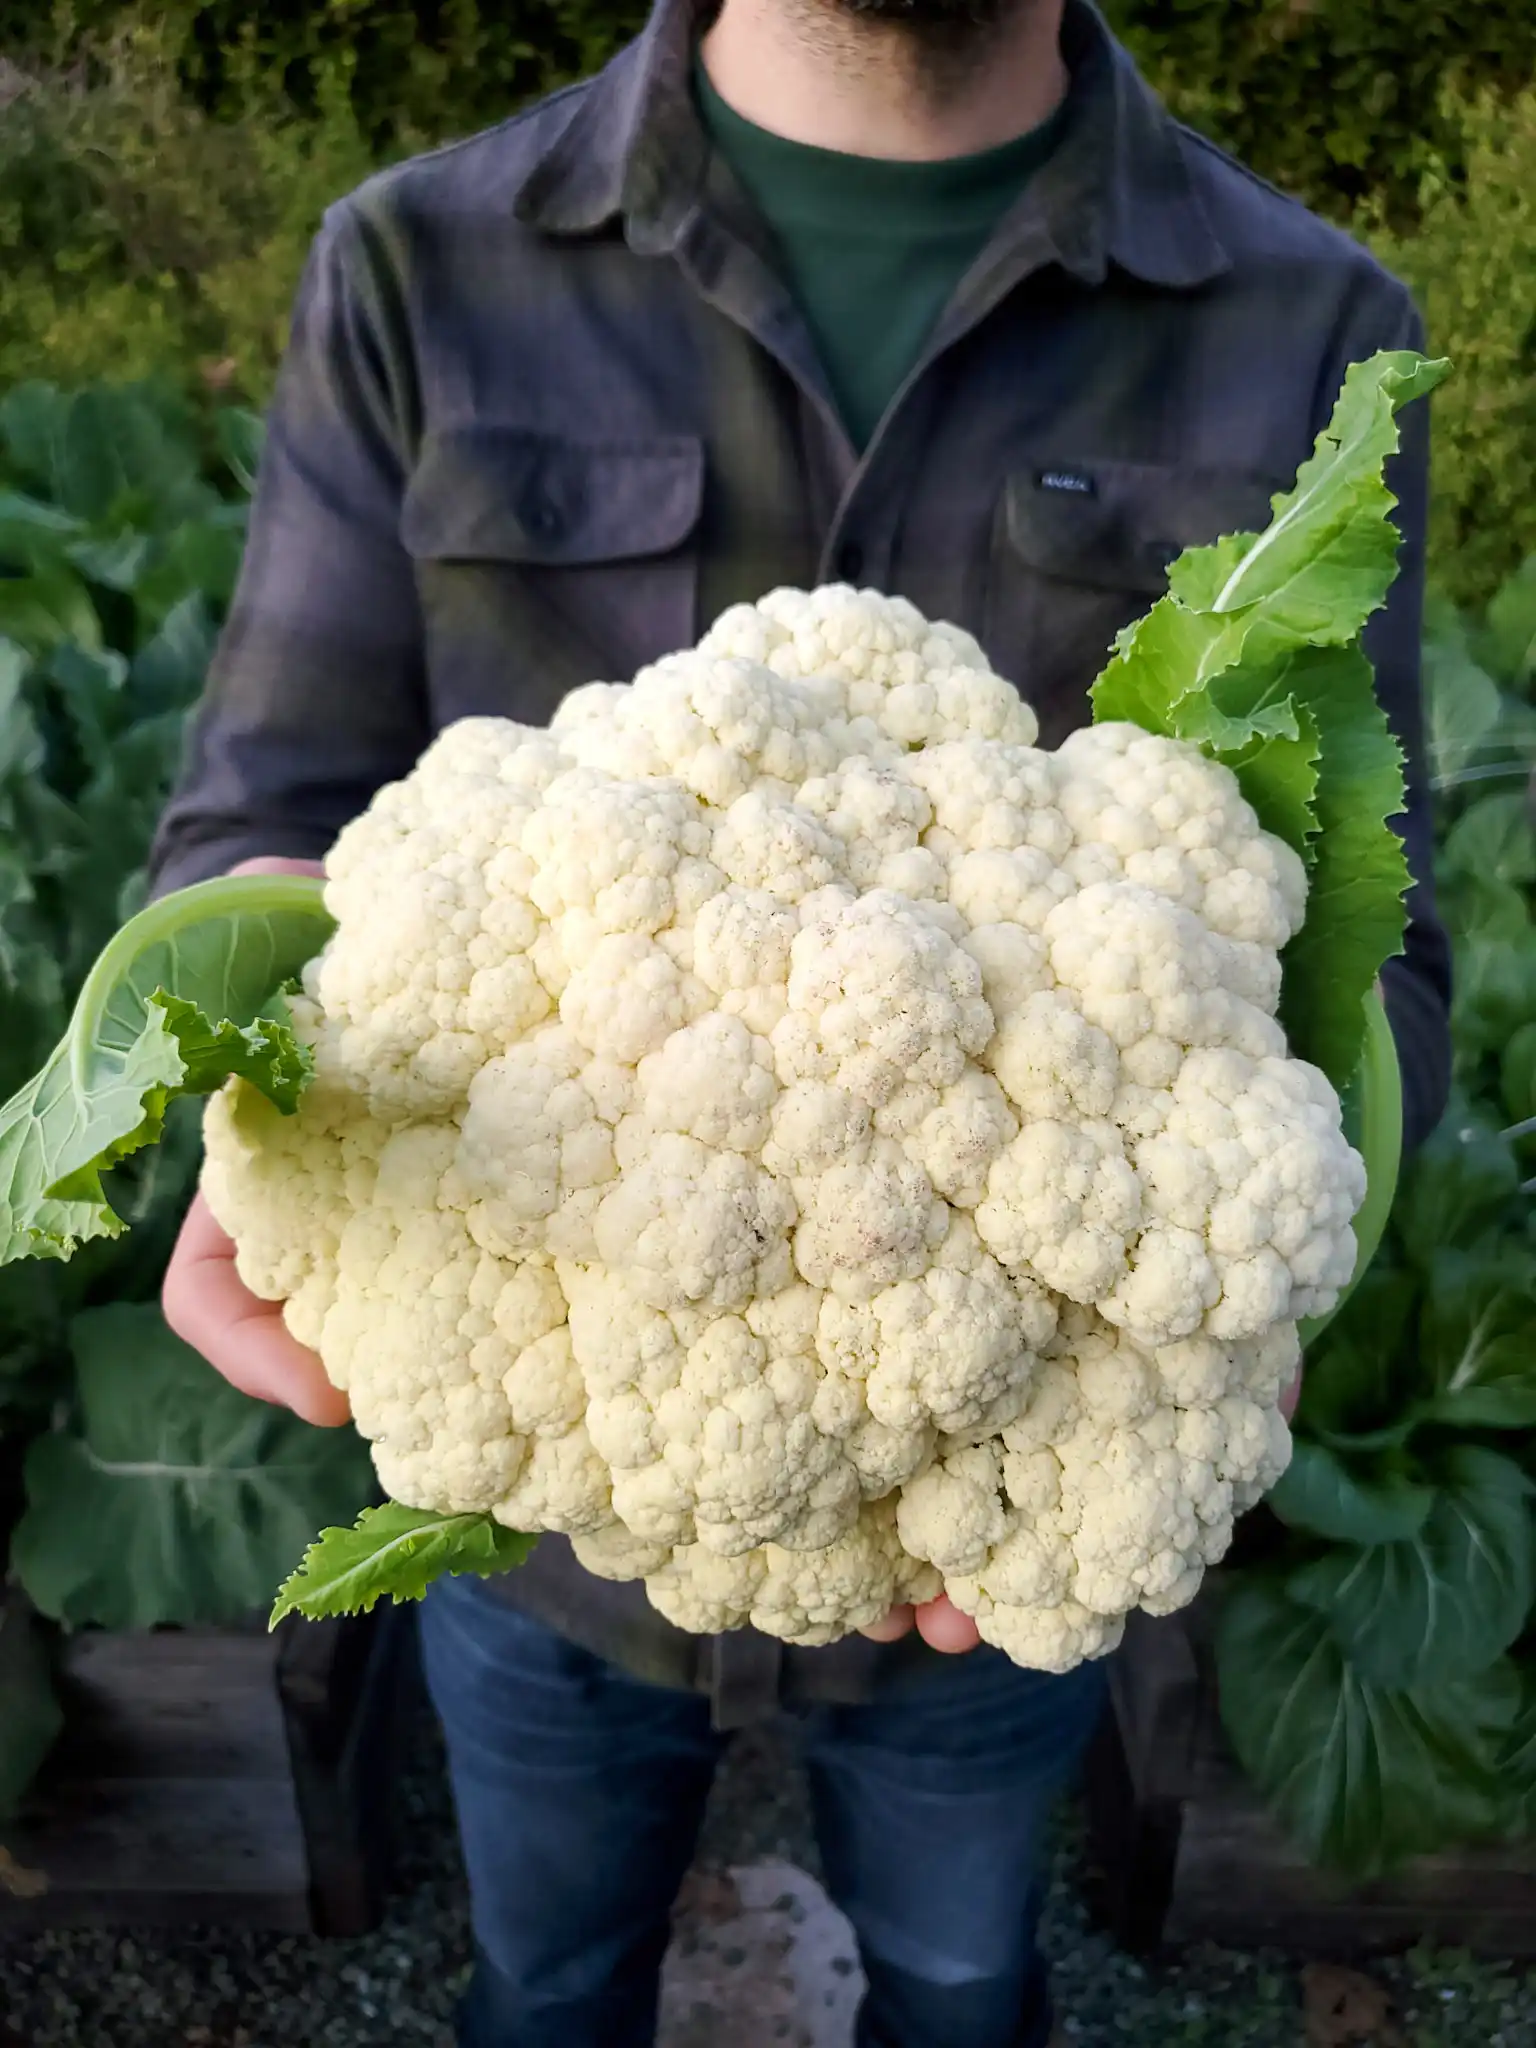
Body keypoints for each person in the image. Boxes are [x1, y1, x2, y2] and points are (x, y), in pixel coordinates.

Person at [150, 0, 1452, 2040]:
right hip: (546, 1526)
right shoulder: (415, 260)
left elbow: (1384, 968)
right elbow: (254, 827)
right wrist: (218, 1046)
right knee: (548, 1978)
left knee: (956, 1982)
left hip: (999, 1543)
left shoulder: (1305, 314)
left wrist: (1252, 1238)